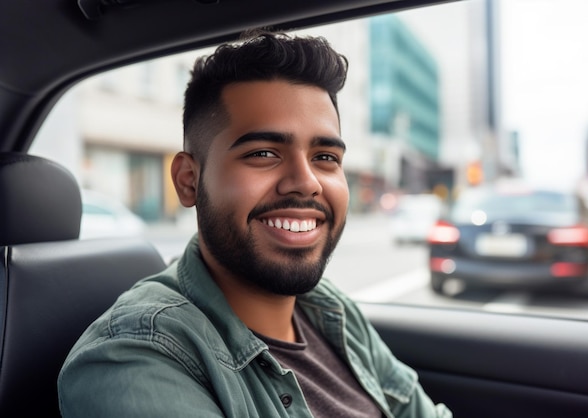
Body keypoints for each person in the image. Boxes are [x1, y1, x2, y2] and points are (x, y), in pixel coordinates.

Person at [57, 30, 452, 418]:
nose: (307, 181)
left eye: (326, 157)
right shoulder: (134, 355)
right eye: (264, 153)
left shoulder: (328, 309)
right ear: (189, 180)